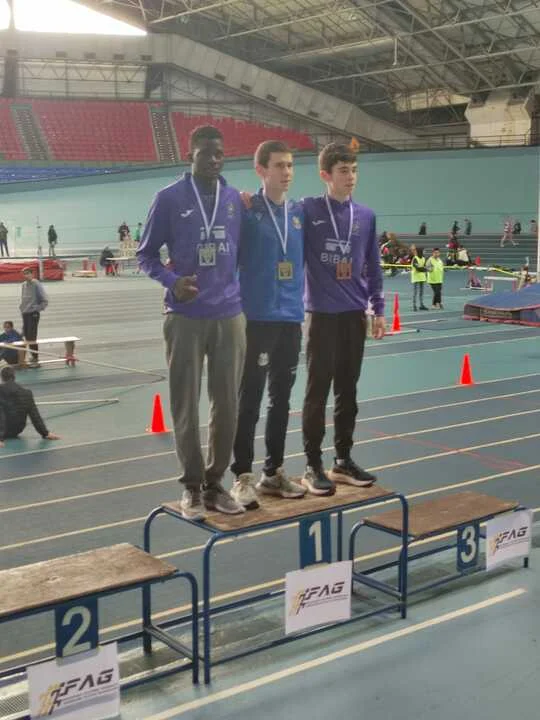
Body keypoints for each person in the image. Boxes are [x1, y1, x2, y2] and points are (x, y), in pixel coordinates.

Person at [137, 125, 246, 520]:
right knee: (185, 405)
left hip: (229, 316)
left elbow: (242, 253)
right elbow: (145, 254)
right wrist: (172, 281)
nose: (214, 160)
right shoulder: (168, 198)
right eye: (205, 154)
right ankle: (191, 486)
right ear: (190, 156)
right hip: (184, 317)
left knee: (228, 405)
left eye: (220, 153)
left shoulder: (234, 199)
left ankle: (215, 484)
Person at [301, 143, 385, 496]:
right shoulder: (307, 209)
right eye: (343, 171)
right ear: (325, 175)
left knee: (348, 392)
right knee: (317, 392)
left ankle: (343, 460)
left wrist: (378, 308)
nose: (351, 177)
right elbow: (273, 212)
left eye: (354, 170)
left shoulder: (365, 215)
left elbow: (373, 265)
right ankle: (312, 464)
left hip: (354, 315)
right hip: (321, 315)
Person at [230, 141, 306, 510]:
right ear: (260, 169)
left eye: (290, 165)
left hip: (291, 319)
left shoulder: (299, 214)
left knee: (281, 400)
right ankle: (242, 476)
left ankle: (273, 472)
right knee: (250, 399)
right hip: (256, 319)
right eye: (279, 165)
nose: (286, 172)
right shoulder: (246, 212)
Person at [0, 366, 60, 446]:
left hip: (3, 432)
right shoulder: (27, 393)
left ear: (2, 378)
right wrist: (45, 433)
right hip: (16, 430)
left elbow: (1, 415)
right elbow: (35, 415)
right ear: (14, 377)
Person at [20, 267, 48, 367]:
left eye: (28, 273)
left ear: (32, 274)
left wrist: (36, 308)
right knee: (27, 336)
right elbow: (23, 299)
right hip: (25, 313)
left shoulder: (36, 284)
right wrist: (22, 308)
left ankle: (36, 359)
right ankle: (33, 356)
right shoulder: (23, 285)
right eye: (24, 273)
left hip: (33, 314)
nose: (26, 275)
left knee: (32, 337)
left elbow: (44, 300)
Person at [411, 246, 428, 311]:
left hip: (422, 277)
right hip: (415, 277)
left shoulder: (423, 258)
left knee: (421, 292)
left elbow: (424, 267)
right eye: (423, 251)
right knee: (415, 292)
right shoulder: (415, 259)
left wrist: (424, 269)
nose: (424, 252)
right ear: (420, 252)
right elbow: (418, 268)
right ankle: (414, 305)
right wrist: (425, 269)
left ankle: (421, 305)